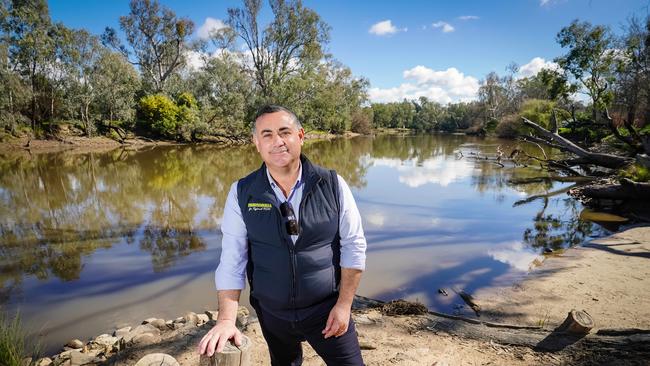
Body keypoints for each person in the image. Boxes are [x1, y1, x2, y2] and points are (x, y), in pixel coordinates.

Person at [197, 105, 367, 365]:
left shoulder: (333, 184)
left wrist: (344, 306)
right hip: (272, 315)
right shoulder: (242, 192)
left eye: (284, 132)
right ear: (256, 143)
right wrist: (226, 321)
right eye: (266, 134)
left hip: (327, 311)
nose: (277, 141)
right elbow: (233, 259)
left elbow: (354, 246)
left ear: (300, 136)